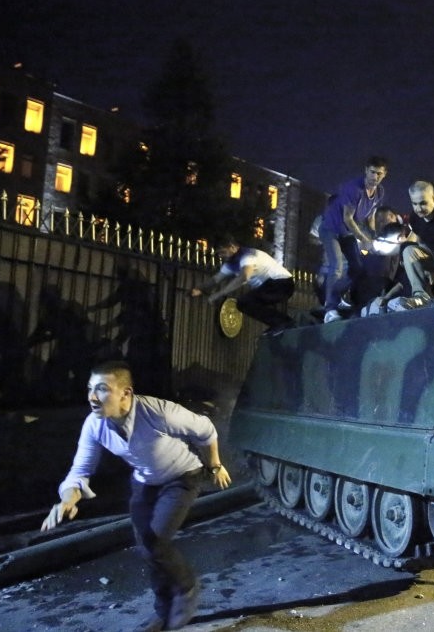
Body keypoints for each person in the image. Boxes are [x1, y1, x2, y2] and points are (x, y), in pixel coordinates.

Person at [41, 360, 231, 631]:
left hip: (182, 478)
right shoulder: (94, 425)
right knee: (146, 546)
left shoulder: (160, 413)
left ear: (125, 393)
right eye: (90, 389)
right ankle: (162, 611)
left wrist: (214, 465)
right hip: (145, 482)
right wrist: (68, 499)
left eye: (102, 389)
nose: (93, 397)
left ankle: (186, 588)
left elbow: (206, 430)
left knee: (155, 541)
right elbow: (80, 470)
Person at [318, 156, 389, 323]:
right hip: (331, 229)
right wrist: (364, 239)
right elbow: (348, 218)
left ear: (385, 174)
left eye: (379, 174)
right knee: (337, 266)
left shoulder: (380, 192)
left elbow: (370, 215)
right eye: (372, 172)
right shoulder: (354, 189)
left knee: (357, 268)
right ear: (366, 170)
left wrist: (373, 236)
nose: (375, 177)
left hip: (346, 233)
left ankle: (334, 295)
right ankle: (330, 310)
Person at [190, 235, 295, 331]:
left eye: (223, 252)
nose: (221, 256)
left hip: (282, 284)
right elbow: (216, 279)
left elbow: (244, 276)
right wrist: (199, 288)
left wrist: (220, 293)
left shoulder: (247, 256)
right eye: (219, 254)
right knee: (247, 303)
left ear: (232, 247)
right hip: (270, 287)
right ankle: (279, 323)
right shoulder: (231, 263)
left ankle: (284, 323)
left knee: (244, 302)